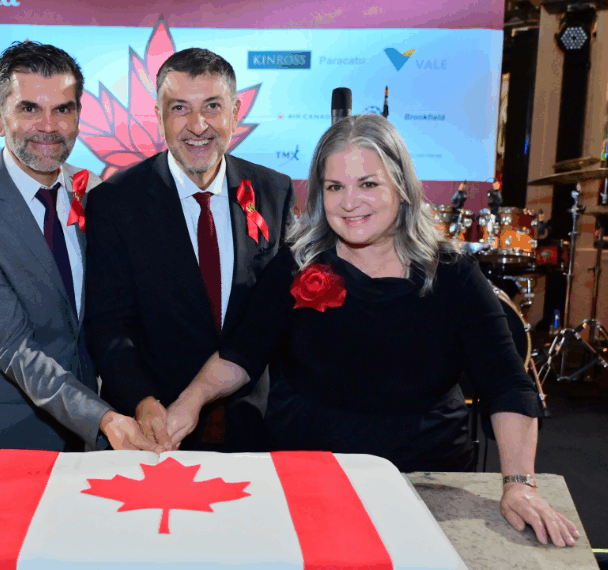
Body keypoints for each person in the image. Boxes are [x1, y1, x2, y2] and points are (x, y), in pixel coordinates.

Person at [164, 114, 579, 547]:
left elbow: (507, 385)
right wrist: (188, 403)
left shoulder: (454, 275)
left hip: (425, 477)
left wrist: (519, 484)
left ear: (401, 186)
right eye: (334, 187)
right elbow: (240, 354)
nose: (349, 203)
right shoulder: (295, 265)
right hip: (307, 471)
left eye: (368, 184)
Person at [0, 41, 157, 453]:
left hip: (93, 422)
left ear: (78, 116)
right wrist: (101, 418)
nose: (48, 126)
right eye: (29, 109)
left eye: (63, 109)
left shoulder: (94, 191)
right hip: (3, 429)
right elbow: (13, 348)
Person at [84, 48, 295, 451]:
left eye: (212, 106)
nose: (198, 126)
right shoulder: (114, 202)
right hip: (154, 430)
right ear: (159, 115)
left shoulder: (274, 190)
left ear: (235, 112)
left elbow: (274, 317)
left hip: (255, 428)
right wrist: (143, 401)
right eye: (180, 108)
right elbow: (108, 323)